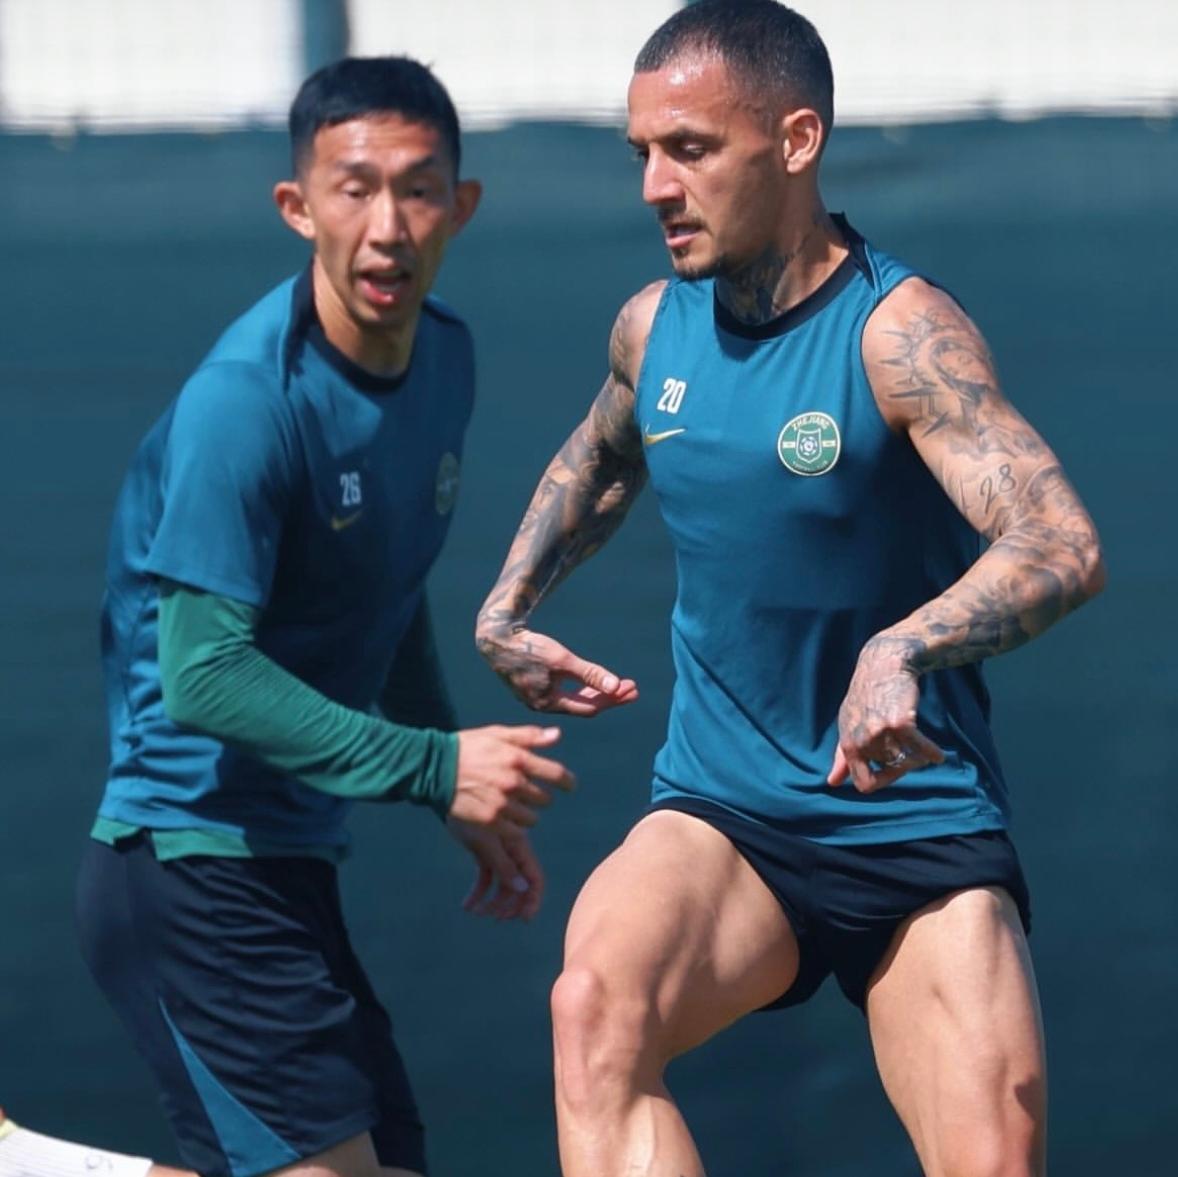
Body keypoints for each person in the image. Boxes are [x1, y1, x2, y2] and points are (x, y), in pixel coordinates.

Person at [475, 2, 1106, 1174]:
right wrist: (504, 609)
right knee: (593, 1006)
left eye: (689, 149)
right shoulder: (652, 328)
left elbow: (1059, 542)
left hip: (913, 827)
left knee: (994, 1153)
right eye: (640, 153)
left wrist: (901, 647)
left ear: (796, 139)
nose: (654, 186)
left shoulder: (897, 333)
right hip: (724, 817)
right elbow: (600, 458)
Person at [0, 56, 574, 1177]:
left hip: (287, 863)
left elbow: (383, 590)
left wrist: (447, 780)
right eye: (354, 188)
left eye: (418, 190)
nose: (386, 227)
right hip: (185, 866)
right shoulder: (245, 404)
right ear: (297, 206)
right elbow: (200, 672)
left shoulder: (444, 359)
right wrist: (434, 765)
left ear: (461, 207)